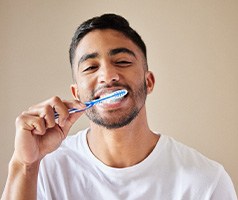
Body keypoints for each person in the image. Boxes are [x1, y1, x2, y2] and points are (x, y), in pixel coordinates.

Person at [2, 13, 237, 200]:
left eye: (122, 61)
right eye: (91, 67)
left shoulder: (206, 182)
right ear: (77, 94)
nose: (108, 75)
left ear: (149, 81)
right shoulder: (43, 171)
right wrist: (25, 165)